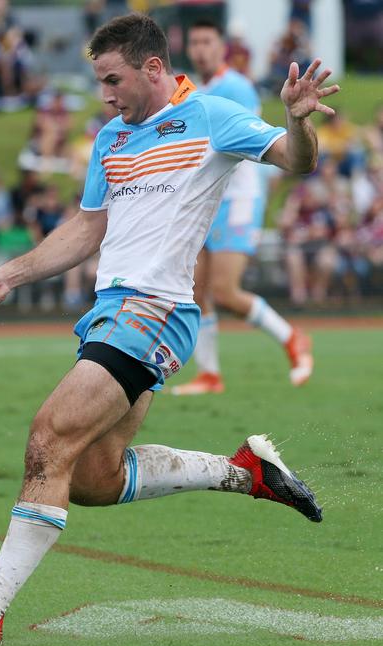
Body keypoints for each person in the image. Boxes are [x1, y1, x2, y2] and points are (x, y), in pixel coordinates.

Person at [0, 14, 337, 646]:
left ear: (152, 69)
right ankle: (244, 472)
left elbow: (296, 162)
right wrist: (10, 275)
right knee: (93, 480)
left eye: (113, 80)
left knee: (48, 439)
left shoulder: (212, 118)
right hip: (108, 314)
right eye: (100, 81)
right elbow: (87, 227)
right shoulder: (111, 138)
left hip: (155, 311)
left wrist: (297, 120)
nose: (105, 94)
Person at [171, 20, 313, 396]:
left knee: (225, 291)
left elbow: (246, 136)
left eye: (207, 41)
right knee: (197, 290)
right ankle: (210, 374)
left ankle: (292, 337)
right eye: (195, 41)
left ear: (222, 48)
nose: (200, 48)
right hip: (207, 197)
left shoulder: (235, 85)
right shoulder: (193, 89)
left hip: (238, 197)